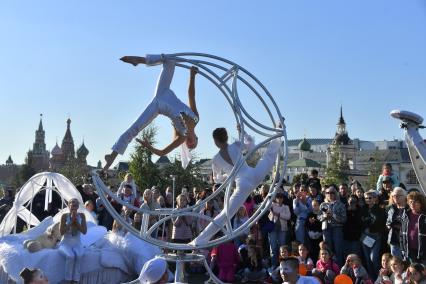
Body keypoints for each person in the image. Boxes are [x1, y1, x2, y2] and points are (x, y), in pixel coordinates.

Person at [104, 54, 199, 170]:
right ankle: (139, 60)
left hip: (158, 106)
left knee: (135, 127)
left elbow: (162, 153)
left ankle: (112, 156)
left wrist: (149, 147)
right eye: (194, 144)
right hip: (164, 91)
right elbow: (191, 95)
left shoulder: (181, 137)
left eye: (189, 146)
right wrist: (192, 75)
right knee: (170, 60)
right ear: (196, 138)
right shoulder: (195, 119)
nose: (190, 143)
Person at [191, 126, 281, 246]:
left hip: (242, 184)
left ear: (215, 141)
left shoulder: (216, 159)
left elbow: (217, 179)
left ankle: (199, 240)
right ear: (226, 137)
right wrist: (242, 132)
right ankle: (278, 132)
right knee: (268, 156)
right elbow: (251, 146)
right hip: (254, 174)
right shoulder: (235, 145)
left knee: (225, 214)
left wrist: (228, 176)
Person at [58, 198, 87, 283]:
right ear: (69, 206)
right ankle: (68, 280)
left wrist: (76, 222)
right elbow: (61, 232)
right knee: (71, 256)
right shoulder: (64, 216)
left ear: (78, 206)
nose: (73, 205)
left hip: (77, 243)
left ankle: (76, 280)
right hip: (65, 243)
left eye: (75, 204)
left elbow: (84, 231)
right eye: (72, 204)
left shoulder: (82, 216)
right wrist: (70, 222)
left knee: (79, 255)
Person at [318, 185, 346, 266]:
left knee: (338, 250)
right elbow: (318, 217)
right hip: (326, 229)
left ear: (336, 193)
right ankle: (327, 268)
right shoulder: (323, 204)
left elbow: (344, 219)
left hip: (337, 229)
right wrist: (324, 216)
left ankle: (339, 269)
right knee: (327, 250)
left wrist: (333, 215)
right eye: (327, 192)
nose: (329, 194)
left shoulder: (341, 204)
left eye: (332, 192)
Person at [360, 190, 386, 279]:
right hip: (365, 236)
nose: (368, 200)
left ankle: (379, 277)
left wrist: (368, 221)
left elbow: (379, 222)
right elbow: (361, 221)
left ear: (374, 198)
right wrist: (368, 221)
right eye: (366, 198)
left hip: (375, 236)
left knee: (374, 258)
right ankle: (372, 278)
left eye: (370, 198)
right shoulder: (363, 209)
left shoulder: (379, 209)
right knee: (367, 259)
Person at [401, 191, 426, 264]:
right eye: (410, 202)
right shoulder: (405, 215)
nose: (412, 204)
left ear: (421, 203)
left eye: (415, 202)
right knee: (414, 272)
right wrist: (403, 249)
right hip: (410, 251)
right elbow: (401, 234)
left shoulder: (424, 216)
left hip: (423, 251)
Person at [268, 192, 291, 268]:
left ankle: (283, 264)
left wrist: (279, 215)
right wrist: (270, 197)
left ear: (283, 199)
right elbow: (266, 206)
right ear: (275, 198)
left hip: (282, 229)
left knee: (282, 247)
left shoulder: (286, 207)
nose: (279, 199)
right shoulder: (272, 205)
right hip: (272, 229)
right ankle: (274, 265)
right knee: (273, 247)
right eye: (278, 197)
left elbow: (288, 217)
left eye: (281, 197)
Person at [387, 187, 408, 258]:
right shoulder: (391, 208)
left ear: (405, 197)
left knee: (407, 264)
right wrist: (389, 225)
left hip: (406, 241)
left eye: (398, 195)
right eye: (394, 196)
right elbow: (388, 222)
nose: (395, 197)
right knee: (396, 263)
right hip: (394, 240)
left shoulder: (409, 209)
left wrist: (399, 226)